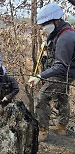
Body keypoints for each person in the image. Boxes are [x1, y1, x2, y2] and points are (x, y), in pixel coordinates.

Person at [28, 3, 75, 142]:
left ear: (55, 20)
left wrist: (39, 76)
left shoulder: (65, 37)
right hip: (65, 71)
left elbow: (60, 66)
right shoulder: (59, 32)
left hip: (64, 73)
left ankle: (43, 130)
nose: (43, 27)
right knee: (61, 96)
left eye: (45, 24)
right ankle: (61, 126)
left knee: (41, 98)